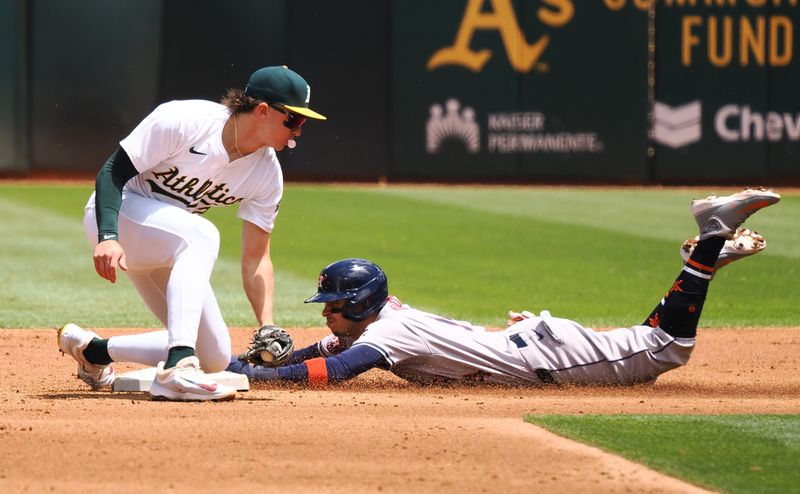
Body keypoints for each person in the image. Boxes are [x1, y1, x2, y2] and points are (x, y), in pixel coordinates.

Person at [227, 188, 780, 387]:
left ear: (359, 305)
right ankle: (704, 261)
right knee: (647, 340)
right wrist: (265, 362)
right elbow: (323, 351)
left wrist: (257, 379)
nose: (326, 316)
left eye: (333, 306)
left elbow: (338, 371)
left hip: (548, 357)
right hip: (534, 347)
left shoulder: (389, 332)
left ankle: (710, 237)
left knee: (667, 348)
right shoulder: (375, 322)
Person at [57, 65, 326, 401]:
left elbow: (257, 259)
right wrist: (107, 236)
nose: (298, 130)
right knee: (202, 234)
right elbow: (113, 171)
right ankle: (177, 368)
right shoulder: (185, 120)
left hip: (171, 243)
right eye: (294, 120)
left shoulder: (266, 174)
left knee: (214, 355)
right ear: (262, 111)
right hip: (118, 215)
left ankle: (93, 352)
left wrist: (267, 323)